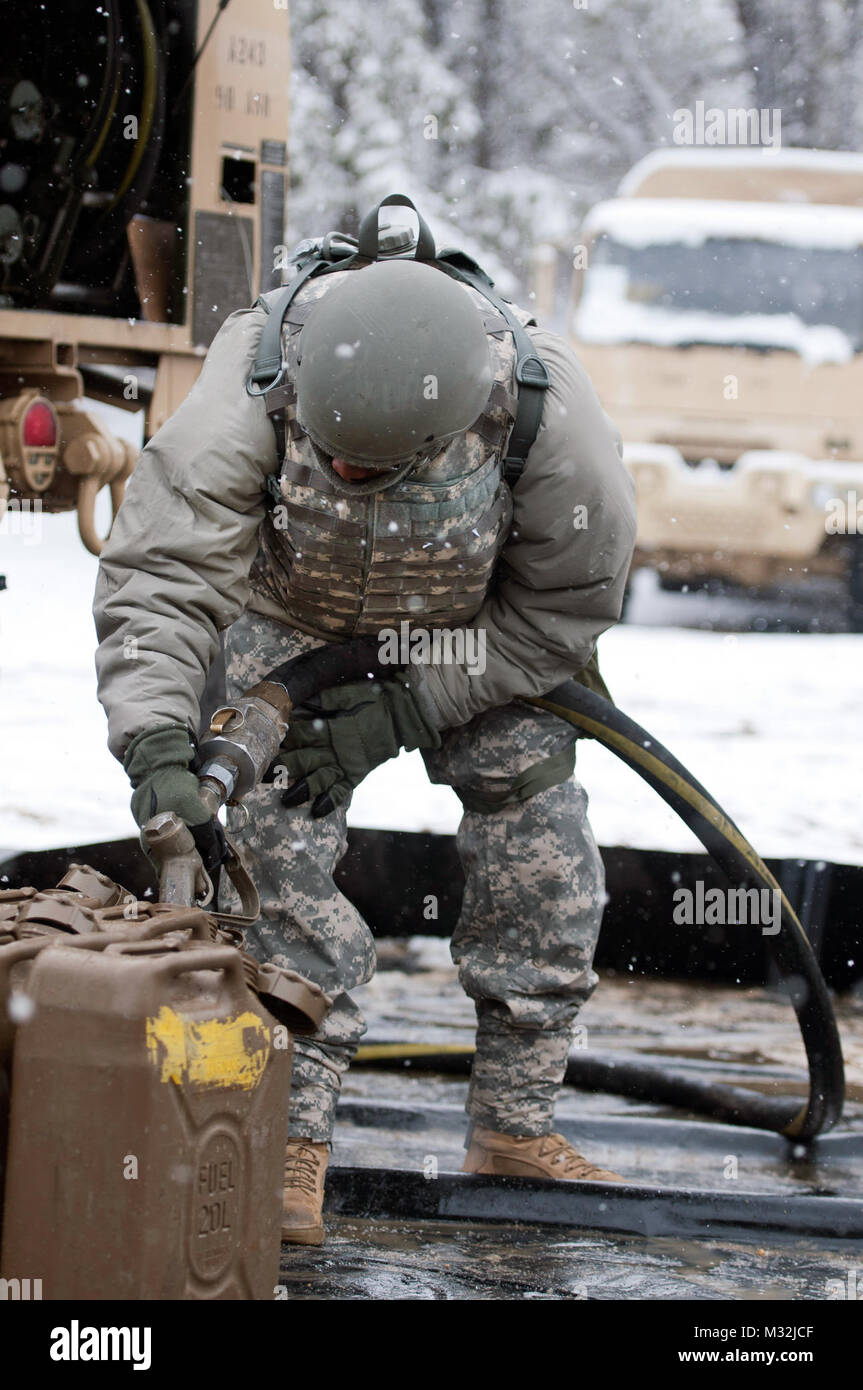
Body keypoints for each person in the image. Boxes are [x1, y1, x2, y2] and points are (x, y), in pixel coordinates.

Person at [94, 196, 637, 1247]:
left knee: (542, 849)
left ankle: (514, 1127)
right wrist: (158, 742)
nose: (342, 476)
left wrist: (404, 710)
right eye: (328, 457)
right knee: (268, 859)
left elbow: (563, 615)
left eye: (368, 469)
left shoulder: (542, 414)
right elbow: (161, 576)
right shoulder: (256, 376)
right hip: (287, 625)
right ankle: (287, 1144)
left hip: (473, 639)